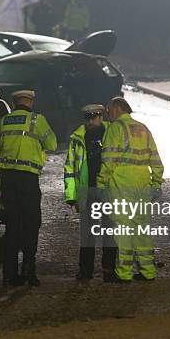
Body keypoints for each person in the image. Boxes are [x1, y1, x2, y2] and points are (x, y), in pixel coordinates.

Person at [0, 90, 57, 286]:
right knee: (31, 224)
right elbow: (52, 143)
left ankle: (9, 275)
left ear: (14, 102)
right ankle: (28, 270)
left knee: (12, 226)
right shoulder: (37, 120)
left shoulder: (2, 121)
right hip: (28, 179)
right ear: (31, 102)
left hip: (8, 178)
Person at [97, 97, 164, 283]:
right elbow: (156, 159)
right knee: (141, 229)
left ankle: (124, 273)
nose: (107, 113)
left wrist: (101, 184)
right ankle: (148, 271)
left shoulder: (115, 129)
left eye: (109, 109)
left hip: (121, 186)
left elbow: (108, 160)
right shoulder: (143, 128)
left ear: (118, 109)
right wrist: (156, 183)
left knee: (123, 230)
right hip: (142, 186)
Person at [64, 104, 117, 281]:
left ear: (101, 116)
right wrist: (71, 195)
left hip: (108, 190)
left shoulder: (112, 132)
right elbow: (70, 168)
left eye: (95, 117)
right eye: (88, 117)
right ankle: (86, 270)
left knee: (109, 232)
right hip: (87, 191)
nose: (92, 121)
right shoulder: (78, 137)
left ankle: (109, 269)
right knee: (88, 233)